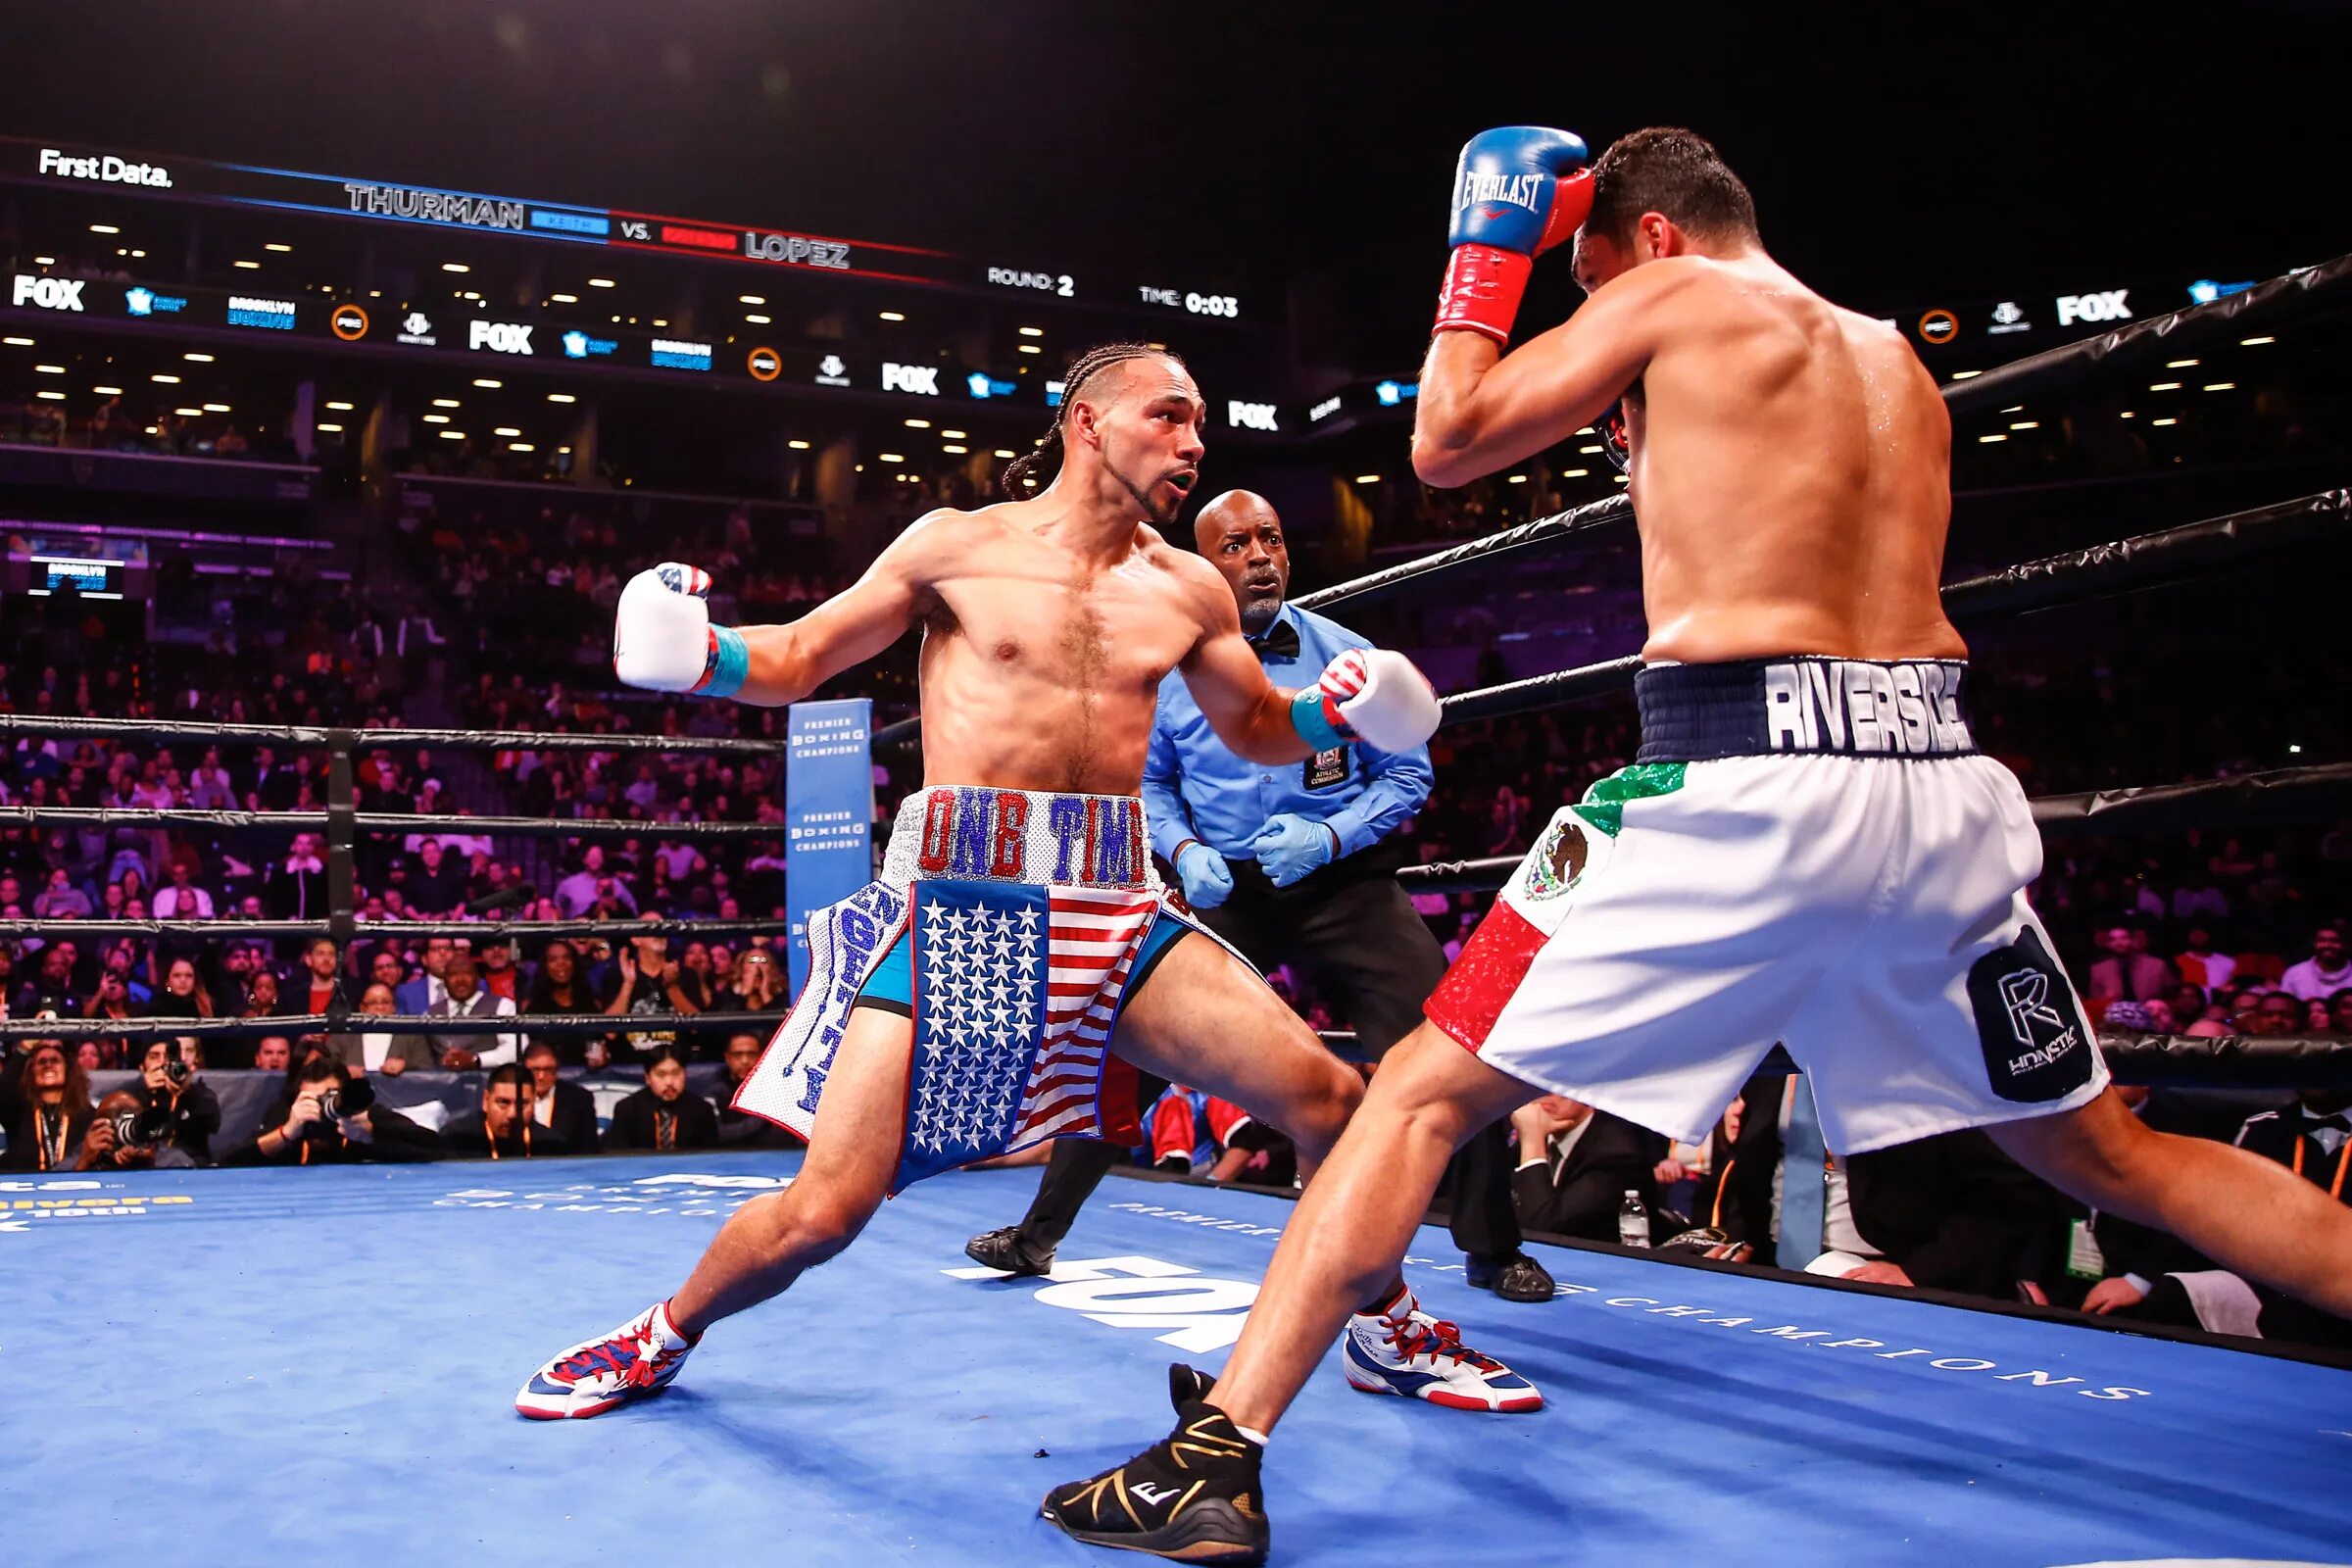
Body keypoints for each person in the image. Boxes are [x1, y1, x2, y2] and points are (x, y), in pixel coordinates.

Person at [1044, 126, 2352, 1559]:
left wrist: (1493, 252)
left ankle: (1216, 1461)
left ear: (1650, 241)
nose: (1590, 301)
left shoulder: (1671, 295)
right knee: (2117, 1156)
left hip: (1742, 783)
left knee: (1416, 1092)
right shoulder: (1892, 359)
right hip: (1939, 790)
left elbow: (1447, 437)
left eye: (1590, 273)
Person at [517, 340, 1531, 1425]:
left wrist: (1340, 710)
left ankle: (1383, 1326)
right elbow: (805, 655)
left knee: (1333, 1101)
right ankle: (661, 1333)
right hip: (966, 903)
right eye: (1169, 416)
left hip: (1115, 900)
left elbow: (1256, 726)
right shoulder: (959, 546)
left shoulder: (1187, 586)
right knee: (828, 1208)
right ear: (1088, 423)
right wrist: (700, 652)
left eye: (1200, 424)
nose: (1193, 442)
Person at [967, 489, 1552, 1300]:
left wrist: (1334, 834)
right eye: (1236, 546)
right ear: (1206, 567)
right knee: (1125, 1041)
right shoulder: (1168, 674)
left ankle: (1492, 1246)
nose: (1260, 557)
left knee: (1450, 1042)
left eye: (1270, 539)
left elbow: (1409, 769)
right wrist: (1182, 849)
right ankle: (1039, 1236)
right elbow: (1150, 785)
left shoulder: (1348, 656)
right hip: (1225, 884)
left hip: (1343, 884)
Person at [3, 1034, 93, 1172]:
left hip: (73, 1189)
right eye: (41, 1062)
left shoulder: (86, 1114)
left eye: (55, 1060)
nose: (48, 1066)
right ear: (31, 1071)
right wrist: (25, 1047)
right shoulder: (19, 1112)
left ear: (67, 1069)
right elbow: (5, 1089)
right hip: (24, 1190)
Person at [603, 1046, 719, 1152]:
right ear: (648, 1078)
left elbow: (710, 1156)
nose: (669, 1082)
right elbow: (620, 1156)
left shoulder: (702, 1109)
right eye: (661, 1074)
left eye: (676, 1073)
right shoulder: (627, 1109)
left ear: (685, 1074)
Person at [446, 1063, 566, 1159]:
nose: (512, 1114)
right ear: (486, 1100)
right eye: (503, 1102)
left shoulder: (551, 1144)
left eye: (522, 1104)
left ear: (533, 1102)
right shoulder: (456, 1139)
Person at [523, 1042, 602, 1152]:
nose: (541, 1076)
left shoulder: (579, 1099)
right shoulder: (513, 1097)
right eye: (535, 1070)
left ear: (557, 1070)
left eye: (548, 1069)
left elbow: (589, 1147)